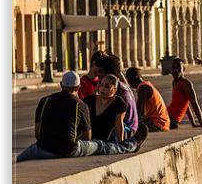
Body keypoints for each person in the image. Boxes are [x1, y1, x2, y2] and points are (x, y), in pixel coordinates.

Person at [17, 71, 148, 162]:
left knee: (20, 158)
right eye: (101, 85)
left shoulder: (44, 101)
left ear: (61, 85)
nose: (102, 89)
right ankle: (132, 144)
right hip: (69, 150)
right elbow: (88, 138)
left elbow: (37, 133)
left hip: (42, 149)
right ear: (78, 87)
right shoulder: (81, 105)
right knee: (101, 146)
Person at [93, 55, 138, 138]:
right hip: (130, 128)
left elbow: (94, 104)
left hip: (126, 129)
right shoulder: (121, 85)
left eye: (100, 72)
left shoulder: (114, 89)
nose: (97, 75)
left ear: (108, 72)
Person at [167, 58, 202, 130]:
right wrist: (193, 123)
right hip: (167, 114)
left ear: (183, 69)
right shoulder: (174, 82)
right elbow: (186, 105)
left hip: (172, 119)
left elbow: (194, 103)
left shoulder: (186, 84)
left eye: (179, 68)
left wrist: (201, 124)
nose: (176, 70)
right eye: (173, 68)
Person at [83, 74, 127, 141]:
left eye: (107, 86)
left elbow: (119, 124)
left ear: (114, 90)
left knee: (122, 146)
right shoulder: (89, 100)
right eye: (101, 85)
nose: (103, 88)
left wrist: (121, 142)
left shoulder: (118, 103)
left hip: (105, 143)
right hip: (87, 142)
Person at [125, 67, 170, 132]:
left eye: (128, 80)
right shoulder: (146, 84)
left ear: (135, 79)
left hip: (157, 124)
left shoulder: (143, 88)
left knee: (130, 125)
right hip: (161, 123)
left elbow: (139, 110)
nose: (128, 83)